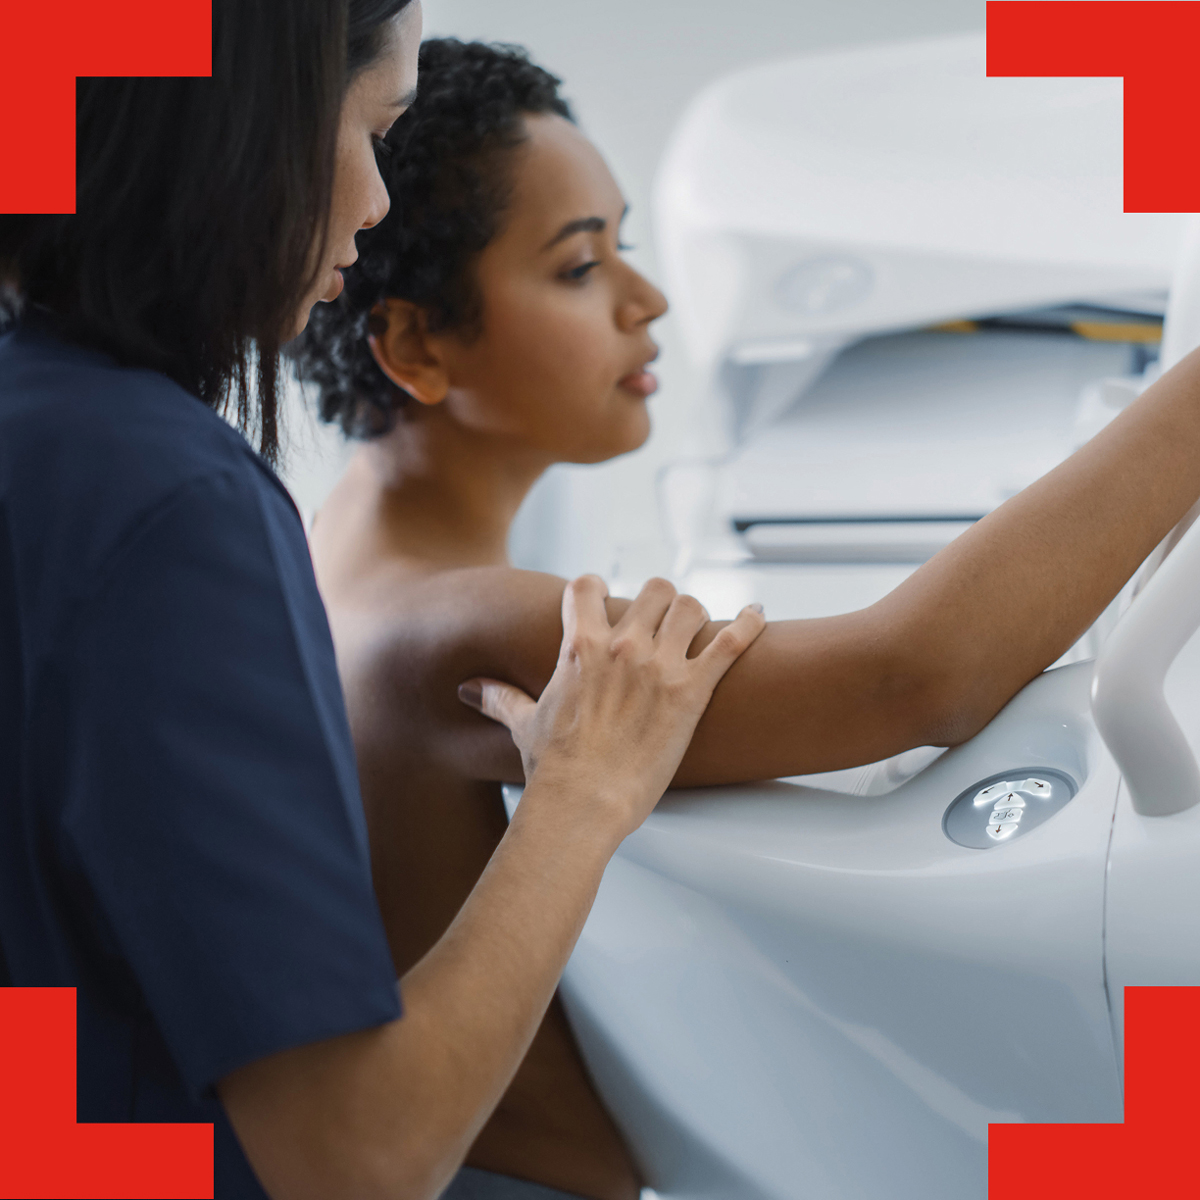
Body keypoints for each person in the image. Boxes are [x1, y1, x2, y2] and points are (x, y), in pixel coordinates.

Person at [292, 37, 1200, 1200]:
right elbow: (913, 678)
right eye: (579, 268)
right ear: (418, 344)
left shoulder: (343, 560)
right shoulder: (453, 629)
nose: (648, 299)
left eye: (624, 244)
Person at [0, 8, 768, 1200]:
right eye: (367, 128)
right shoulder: (166, 499)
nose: (371, 202)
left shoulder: (47, 434)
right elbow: (353, 1157)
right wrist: (582, 794)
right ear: (233, 126)